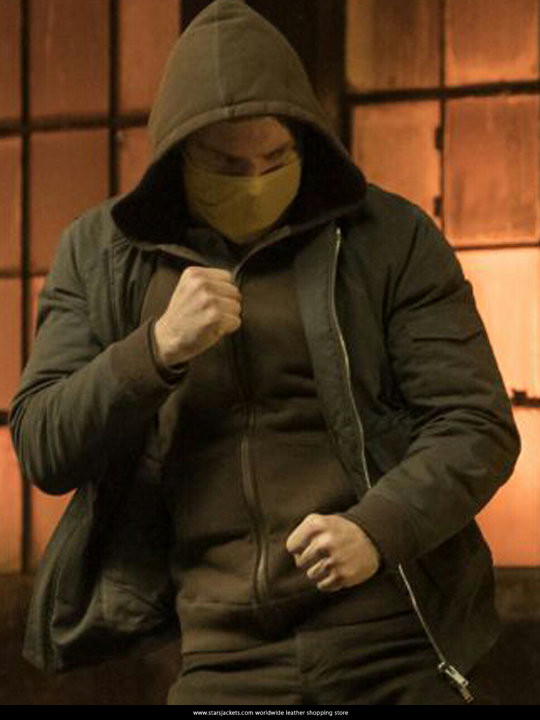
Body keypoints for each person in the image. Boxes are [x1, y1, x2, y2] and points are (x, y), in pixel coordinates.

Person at [10, 0, 519, 706]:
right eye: (227, 164)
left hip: (392, 640)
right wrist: (154, 350)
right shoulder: (101, 254)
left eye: (276, 159)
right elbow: (43, 444)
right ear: (177, 155)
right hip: (221, 656)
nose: (254, 180)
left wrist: (377, 530)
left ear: (306, 140)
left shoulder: (391, 236)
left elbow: (476, 424)